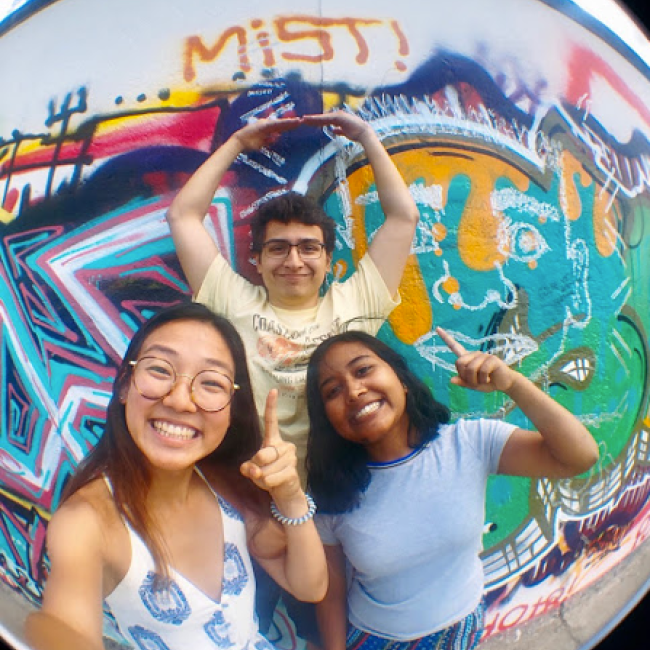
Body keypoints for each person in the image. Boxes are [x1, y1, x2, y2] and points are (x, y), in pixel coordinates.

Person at [24, 303, 327, 650]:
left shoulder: (223, 484)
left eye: (211, 382)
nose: (181, 400)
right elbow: (65, 631)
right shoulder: (88, 523)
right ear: (125, 385)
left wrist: (289, 496)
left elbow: (310, 586)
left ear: (231, 409)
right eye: (159, 369)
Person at [305, 327, 600, 650]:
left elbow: (579, 457)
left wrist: (512, 384)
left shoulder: (470, 443)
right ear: (328, 420)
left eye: (363, 370)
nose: (354, 391)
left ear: (401, 379)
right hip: (377, 641)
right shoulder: (331, 492)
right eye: (332, 391)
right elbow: (331, 594)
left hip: (464, 630)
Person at [166, 110, 420, 481]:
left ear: (329, 258)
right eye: (278, 248)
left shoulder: (358, 301)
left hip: (348, 490)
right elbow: (183, 217)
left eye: (308, 248)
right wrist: (236, 143)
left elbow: (403, 218)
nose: (294, 261)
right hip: (259, 490)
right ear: (257, 259)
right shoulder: (233, 301)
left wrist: (366, 135)